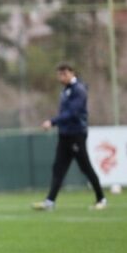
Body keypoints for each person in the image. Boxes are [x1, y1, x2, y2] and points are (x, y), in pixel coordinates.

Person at [33, 63, 106, 211]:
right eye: (59, 74)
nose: (61, 77)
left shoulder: (78, 89)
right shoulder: (66, 91)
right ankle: (50, 202)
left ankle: (101, 199)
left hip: (76, 135)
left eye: (64, 74)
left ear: (72, 73)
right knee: (58, 168)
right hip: (65, 135)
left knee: (85, 167)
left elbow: (73, 113)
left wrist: (52, 122)